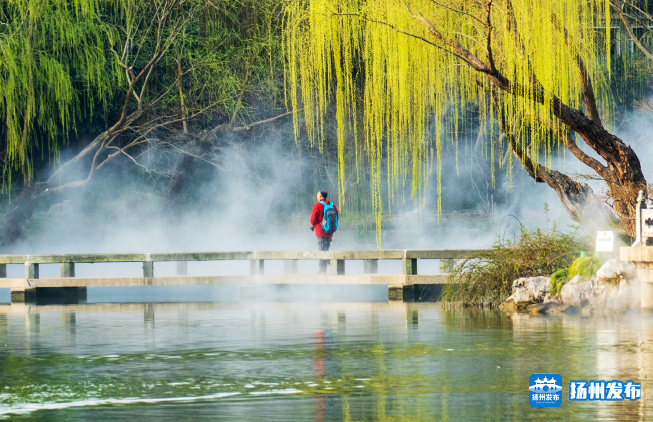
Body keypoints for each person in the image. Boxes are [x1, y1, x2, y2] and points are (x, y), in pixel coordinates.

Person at [310, 190, 339, 274]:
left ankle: (324, 270)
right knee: (326, 249)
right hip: (330, 231)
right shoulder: (332, 205)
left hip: (320, 231)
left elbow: (313, 219)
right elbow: (337, 217)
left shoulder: (317, 205)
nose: (316, 197)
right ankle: (332, 267)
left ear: (320, 196)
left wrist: (313, 225)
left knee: (322, 251)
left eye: (317, 195)